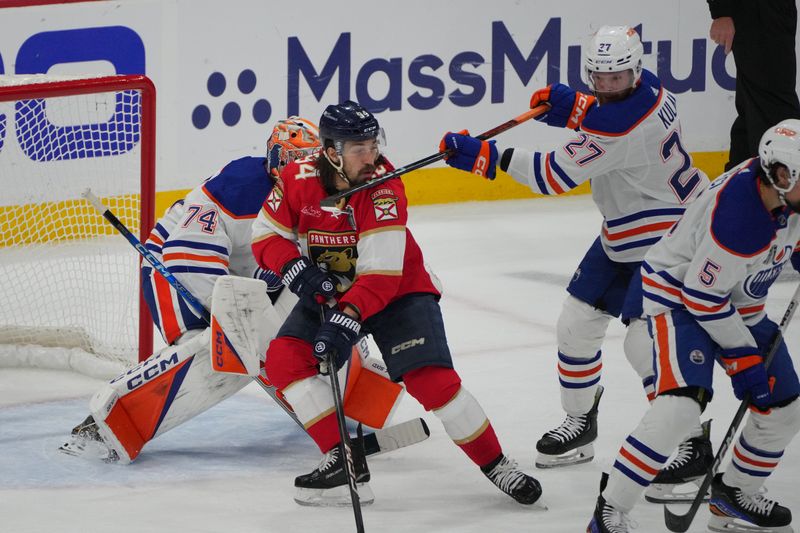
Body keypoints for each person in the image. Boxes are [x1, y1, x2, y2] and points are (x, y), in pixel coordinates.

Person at [440, 24, 712, 491]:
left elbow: (552, 176)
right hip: (625, 229)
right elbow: (609, 118)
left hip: (666, 239)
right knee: (576, 323)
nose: (605, 86)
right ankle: (581, 423)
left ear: (635, 69)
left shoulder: (615, 128)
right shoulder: (652, 90)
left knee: (643, 343)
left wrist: (484, 156)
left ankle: (691, 441)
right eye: (598, 78)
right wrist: (576, 109)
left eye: (615, 78)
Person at [60, 117, 406, 463]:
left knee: (301, 322)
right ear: (278, 160)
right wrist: (234, 320)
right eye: (297, 161)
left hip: (249, 280)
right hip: (178, 275)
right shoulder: (237, 188)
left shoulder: (314, 191)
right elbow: (184, 257)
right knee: (225, 352)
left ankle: (347, 397)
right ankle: (108, 424)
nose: (307, 170)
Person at [251, 99, 542, 507]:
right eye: (359, 149)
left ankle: (497, 465)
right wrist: (297, 270)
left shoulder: (385, 187)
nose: (371, 156)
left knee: (432, 383)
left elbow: (380, 276)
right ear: (332, 153)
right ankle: (343, 459)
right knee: (284, 359)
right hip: (332, 290)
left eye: (374, 144)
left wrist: (343, 323)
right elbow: (265, 235)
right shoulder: (298, 178)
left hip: (397, 292)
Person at [587, 120, 800, 533]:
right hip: (678, 299)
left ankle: (733, 493)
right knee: (680, 407)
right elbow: (701, 297)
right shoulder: (741, 217)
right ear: (779, 176)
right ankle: (609, 510)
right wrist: (743, 360)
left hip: (738, 302)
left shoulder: (786, 196)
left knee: (785, 407)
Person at [708, 0, 800, 171]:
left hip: (775, 11)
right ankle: (784, 184)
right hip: (756, 11)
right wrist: (721, 10)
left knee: (754, 107)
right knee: (774, 107)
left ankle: (736, 183)